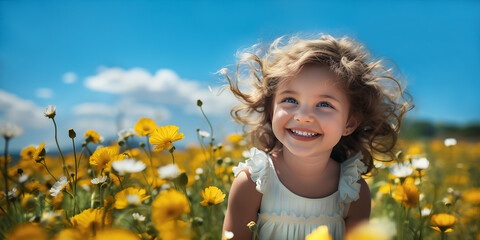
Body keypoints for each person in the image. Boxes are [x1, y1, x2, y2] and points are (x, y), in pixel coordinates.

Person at [221, 34, 412, 239]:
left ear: (349, 123)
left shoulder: (353, 192)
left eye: (324, 104)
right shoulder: (253, 182)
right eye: (290, 100)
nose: (303, 117)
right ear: (271, 111)